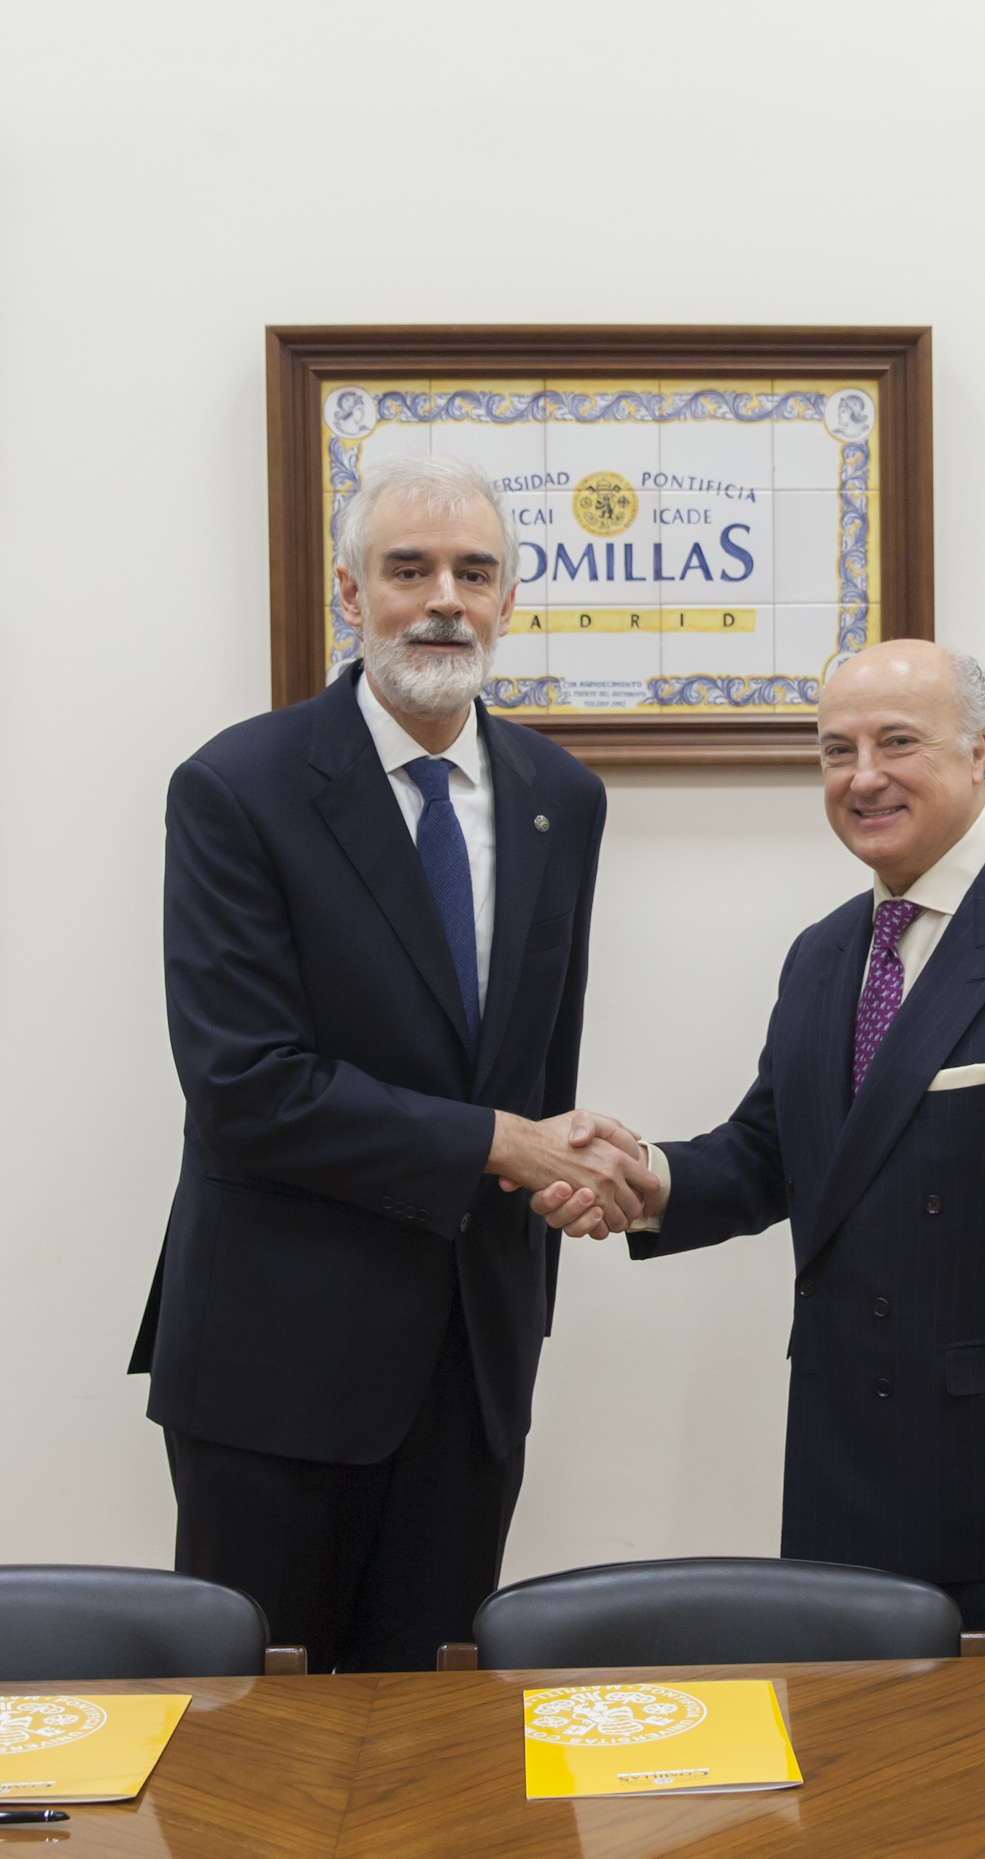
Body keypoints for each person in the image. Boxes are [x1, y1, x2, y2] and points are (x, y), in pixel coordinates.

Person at [535, 641, 985, 1653]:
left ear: (977, 751)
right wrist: (641, 1177)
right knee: (846, 1752)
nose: (861, 777)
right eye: (835, 750)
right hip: (840, 1476)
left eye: (897, 743)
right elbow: (772, 1153)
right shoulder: (822, 954)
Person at [131, 453, 651, 1673]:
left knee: (440, 1741)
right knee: (260, 1741)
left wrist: (562, 1172)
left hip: (473, 1358)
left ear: (509, 599)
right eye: (408, 569)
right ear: (351, 594)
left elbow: (536, 1065)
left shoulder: (560, 797)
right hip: (275, 1359)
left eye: (474, 573)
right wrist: (502, 1145)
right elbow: (246, 1087)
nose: (443, 601)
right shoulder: (237, 788)